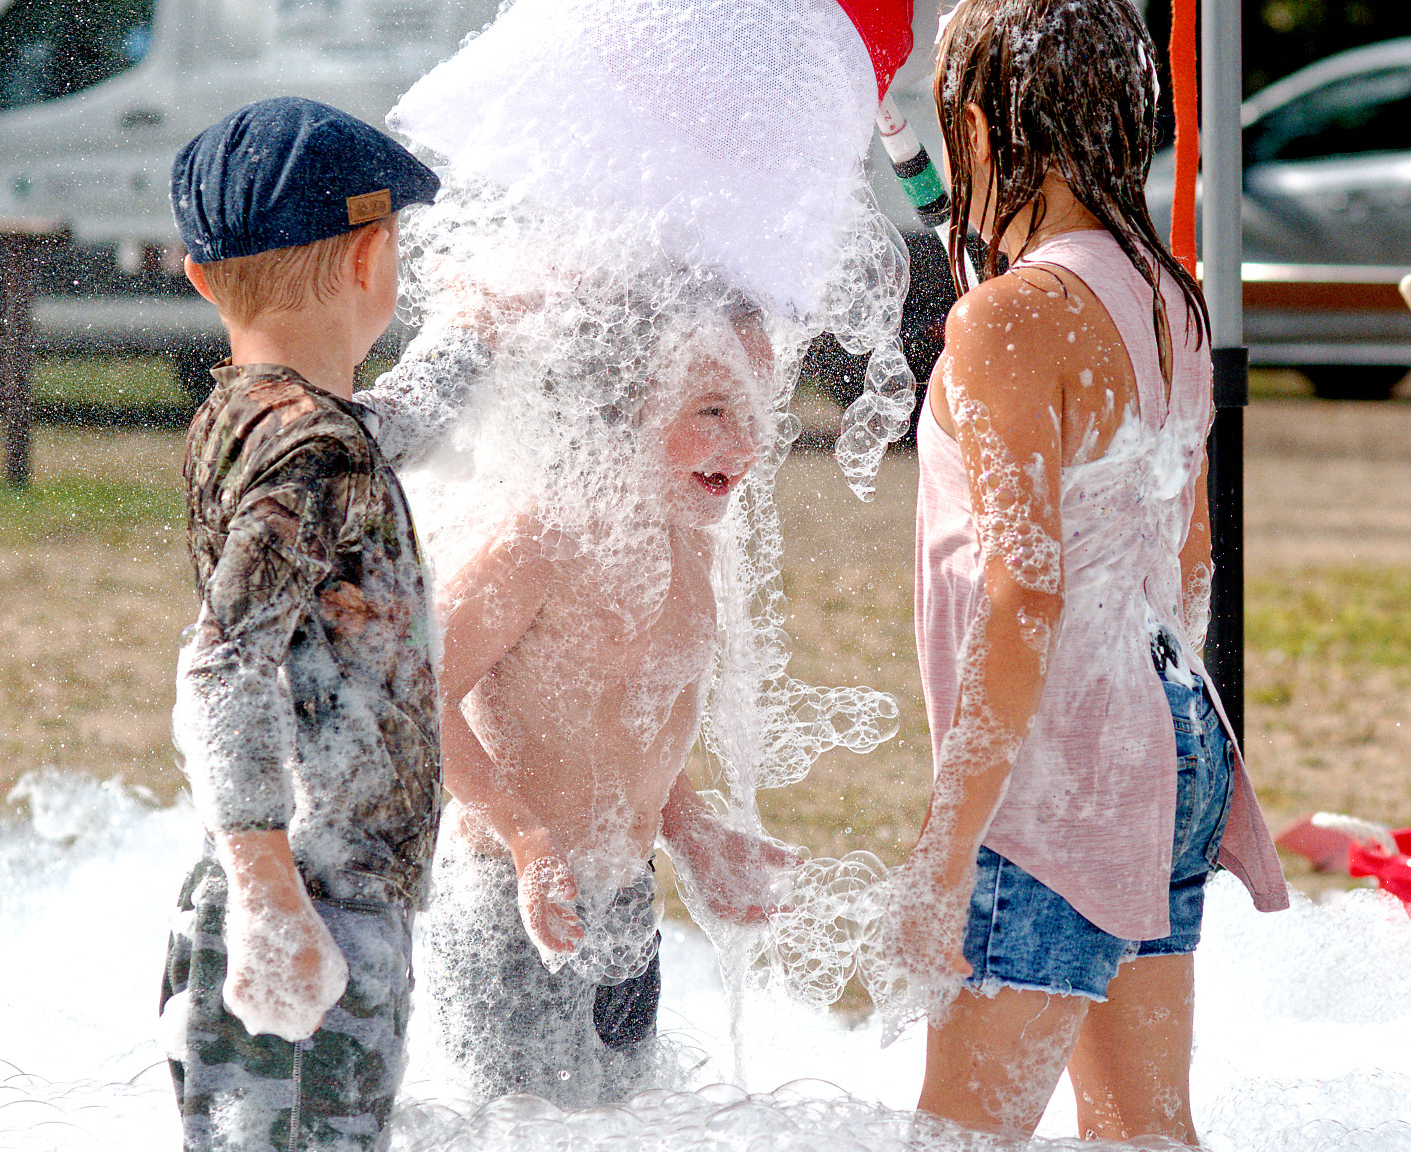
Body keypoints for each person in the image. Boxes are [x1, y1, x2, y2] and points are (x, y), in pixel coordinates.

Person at [883, 0, 1288, 1141]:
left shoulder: (1007, 320)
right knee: (1144, 1128)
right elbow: (1187, 555)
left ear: (973, 128)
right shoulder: (1170, 299)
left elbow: (1028, 593)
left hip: (1057, 765)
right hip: (1175, 736)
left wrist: (945, 843)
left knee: (960, 1130)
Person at [156, 97, 483, 1152]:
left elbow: (381, 432)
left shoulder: (248, 414)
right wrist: (267, 897)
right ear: (369, 263)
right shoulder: (314, 453)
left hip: (292, 886)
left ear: (203, 275)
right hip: (309, 897)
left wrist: (475, 341)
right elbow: (219, 669)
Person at [419, 291, 803, 1106]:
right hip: (509, 908)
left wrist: (698, 837)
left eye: (757, 408)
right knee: (513, 1130)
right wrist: (524, 837)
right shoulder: (537, 542)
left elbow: (630, 736)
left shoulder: (688, 547)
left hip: (626, 906)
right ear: (626, 401)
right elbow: (415, 692)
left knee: (622, 1125)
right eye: (713, 408)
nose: (747, 442)